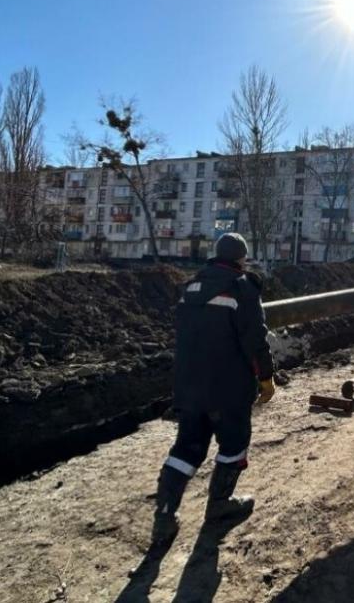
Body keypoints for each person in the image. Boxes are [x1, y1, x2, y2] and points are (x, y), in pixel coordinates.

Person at [151, 232, 276, 547]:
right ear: (240, 258)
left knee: (186, 449)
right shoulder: (241, 287)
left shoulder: (190, 288)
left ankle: (164, 516)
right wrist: (266, 378)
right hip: (229, 387)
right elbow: (255, 339)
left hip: (189, 386)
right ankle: (220, 506)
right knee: (234, 444)